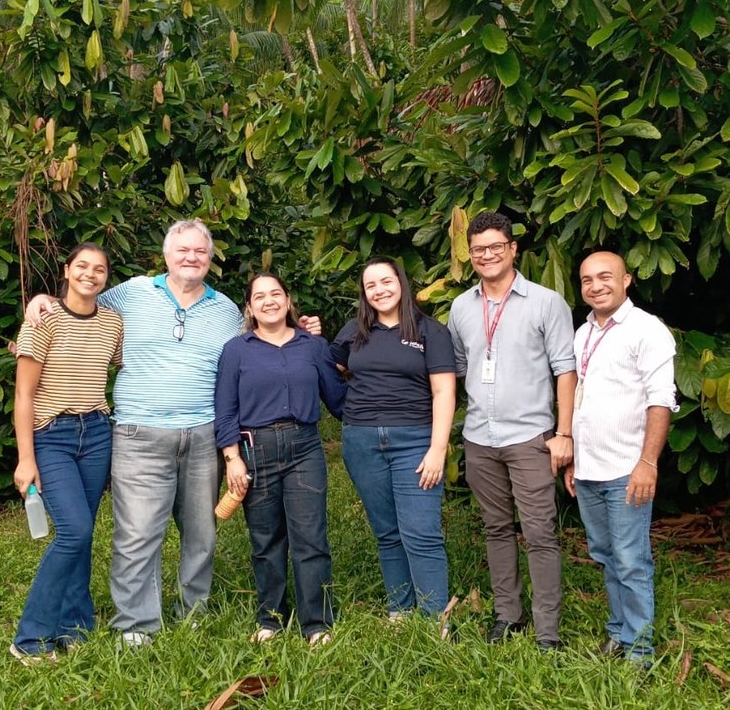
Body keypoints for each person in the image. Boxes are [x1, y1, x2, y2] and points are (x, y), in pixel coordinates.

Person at [25, 220, 321, 647]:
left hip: (202, 435)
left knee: (201, 533)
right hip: (138, 432)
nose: (191, 257)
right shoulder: (131, 293)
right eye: (182, 250)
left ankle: (193, 611)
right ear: (166, 255)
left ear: (210, 258)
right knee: (137, 533)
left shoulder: (224, 311)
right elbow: (80, 298)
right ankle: (136, 623)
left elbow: (262, 344)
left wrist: (304, 331)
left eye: (200, 251)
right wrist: (42, 300)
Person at [447, 212, 576, 651]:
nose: (486, 255)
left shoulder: (546, 303)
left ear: (513, 249)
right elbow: (460, 369)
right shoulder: (462, 307)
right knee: (496, 528)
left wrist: (564, 432)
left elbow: (565, 370)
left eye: (495, 247)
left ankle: (548, 631)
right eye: (478, 249)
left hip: (530, 438)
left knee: (540, 532)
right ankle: (508, 616)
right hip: (481, 437)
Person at [214, 272, 346, 645]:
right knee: (266, 540)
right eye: (260, 296)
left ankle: (316, 623)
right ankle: (271, 619)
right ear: (250, 307)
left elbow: (338, 399)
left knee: (310, 538)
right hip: (255, 450)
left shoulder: (313, 346)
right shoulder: (236, 350)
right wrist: (232, 458)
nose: (269, 301)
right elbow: (225, 409)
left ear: (288, 301)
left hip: (304, 447)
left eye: (276, 294)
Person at [11, 242, 123, 663]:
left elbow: (125, 363)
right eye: (82, 266)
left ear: (106, 278)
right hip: (51, 435)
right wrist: (26, 458)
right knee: (74, 532)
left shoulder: (113, 323)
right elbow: (23, 394)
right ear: (67, 269)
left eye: (99, 269)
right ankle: (31, 638)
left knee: (84, 532)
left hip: (95, 433)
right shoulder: (44, 319)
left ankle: (74, 625)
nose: (90, 274)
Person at [564, 252, 677, 666]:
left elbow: (661, 399)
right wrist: (576, 458)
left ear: (627, 280)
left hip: (628, 470)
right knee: (605, 554)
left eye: (605, 277)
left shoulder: (647, 330)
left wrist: (647, 463)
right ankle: (620, 633)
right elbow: (581, 400)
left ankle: (641, 651)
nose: (596, 286)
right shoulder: (583, 334)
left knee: (631, 560)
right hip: (590, 468)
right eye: (587, 280)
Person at [330, 257, 456, 621]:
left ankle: (435, 619)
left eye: (386, 281)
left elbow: (444, 392)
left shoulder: (430, 331)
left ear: (401, 283)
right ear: (364, 293)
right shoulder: (354, 330)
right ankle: (399, 612)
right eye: (371, 286)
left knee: (422, 532)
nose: (379, 290)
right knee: (387, 532)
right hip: (362, 441)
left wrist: (437, 449)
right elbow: (332, 366)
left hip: (415, 440)